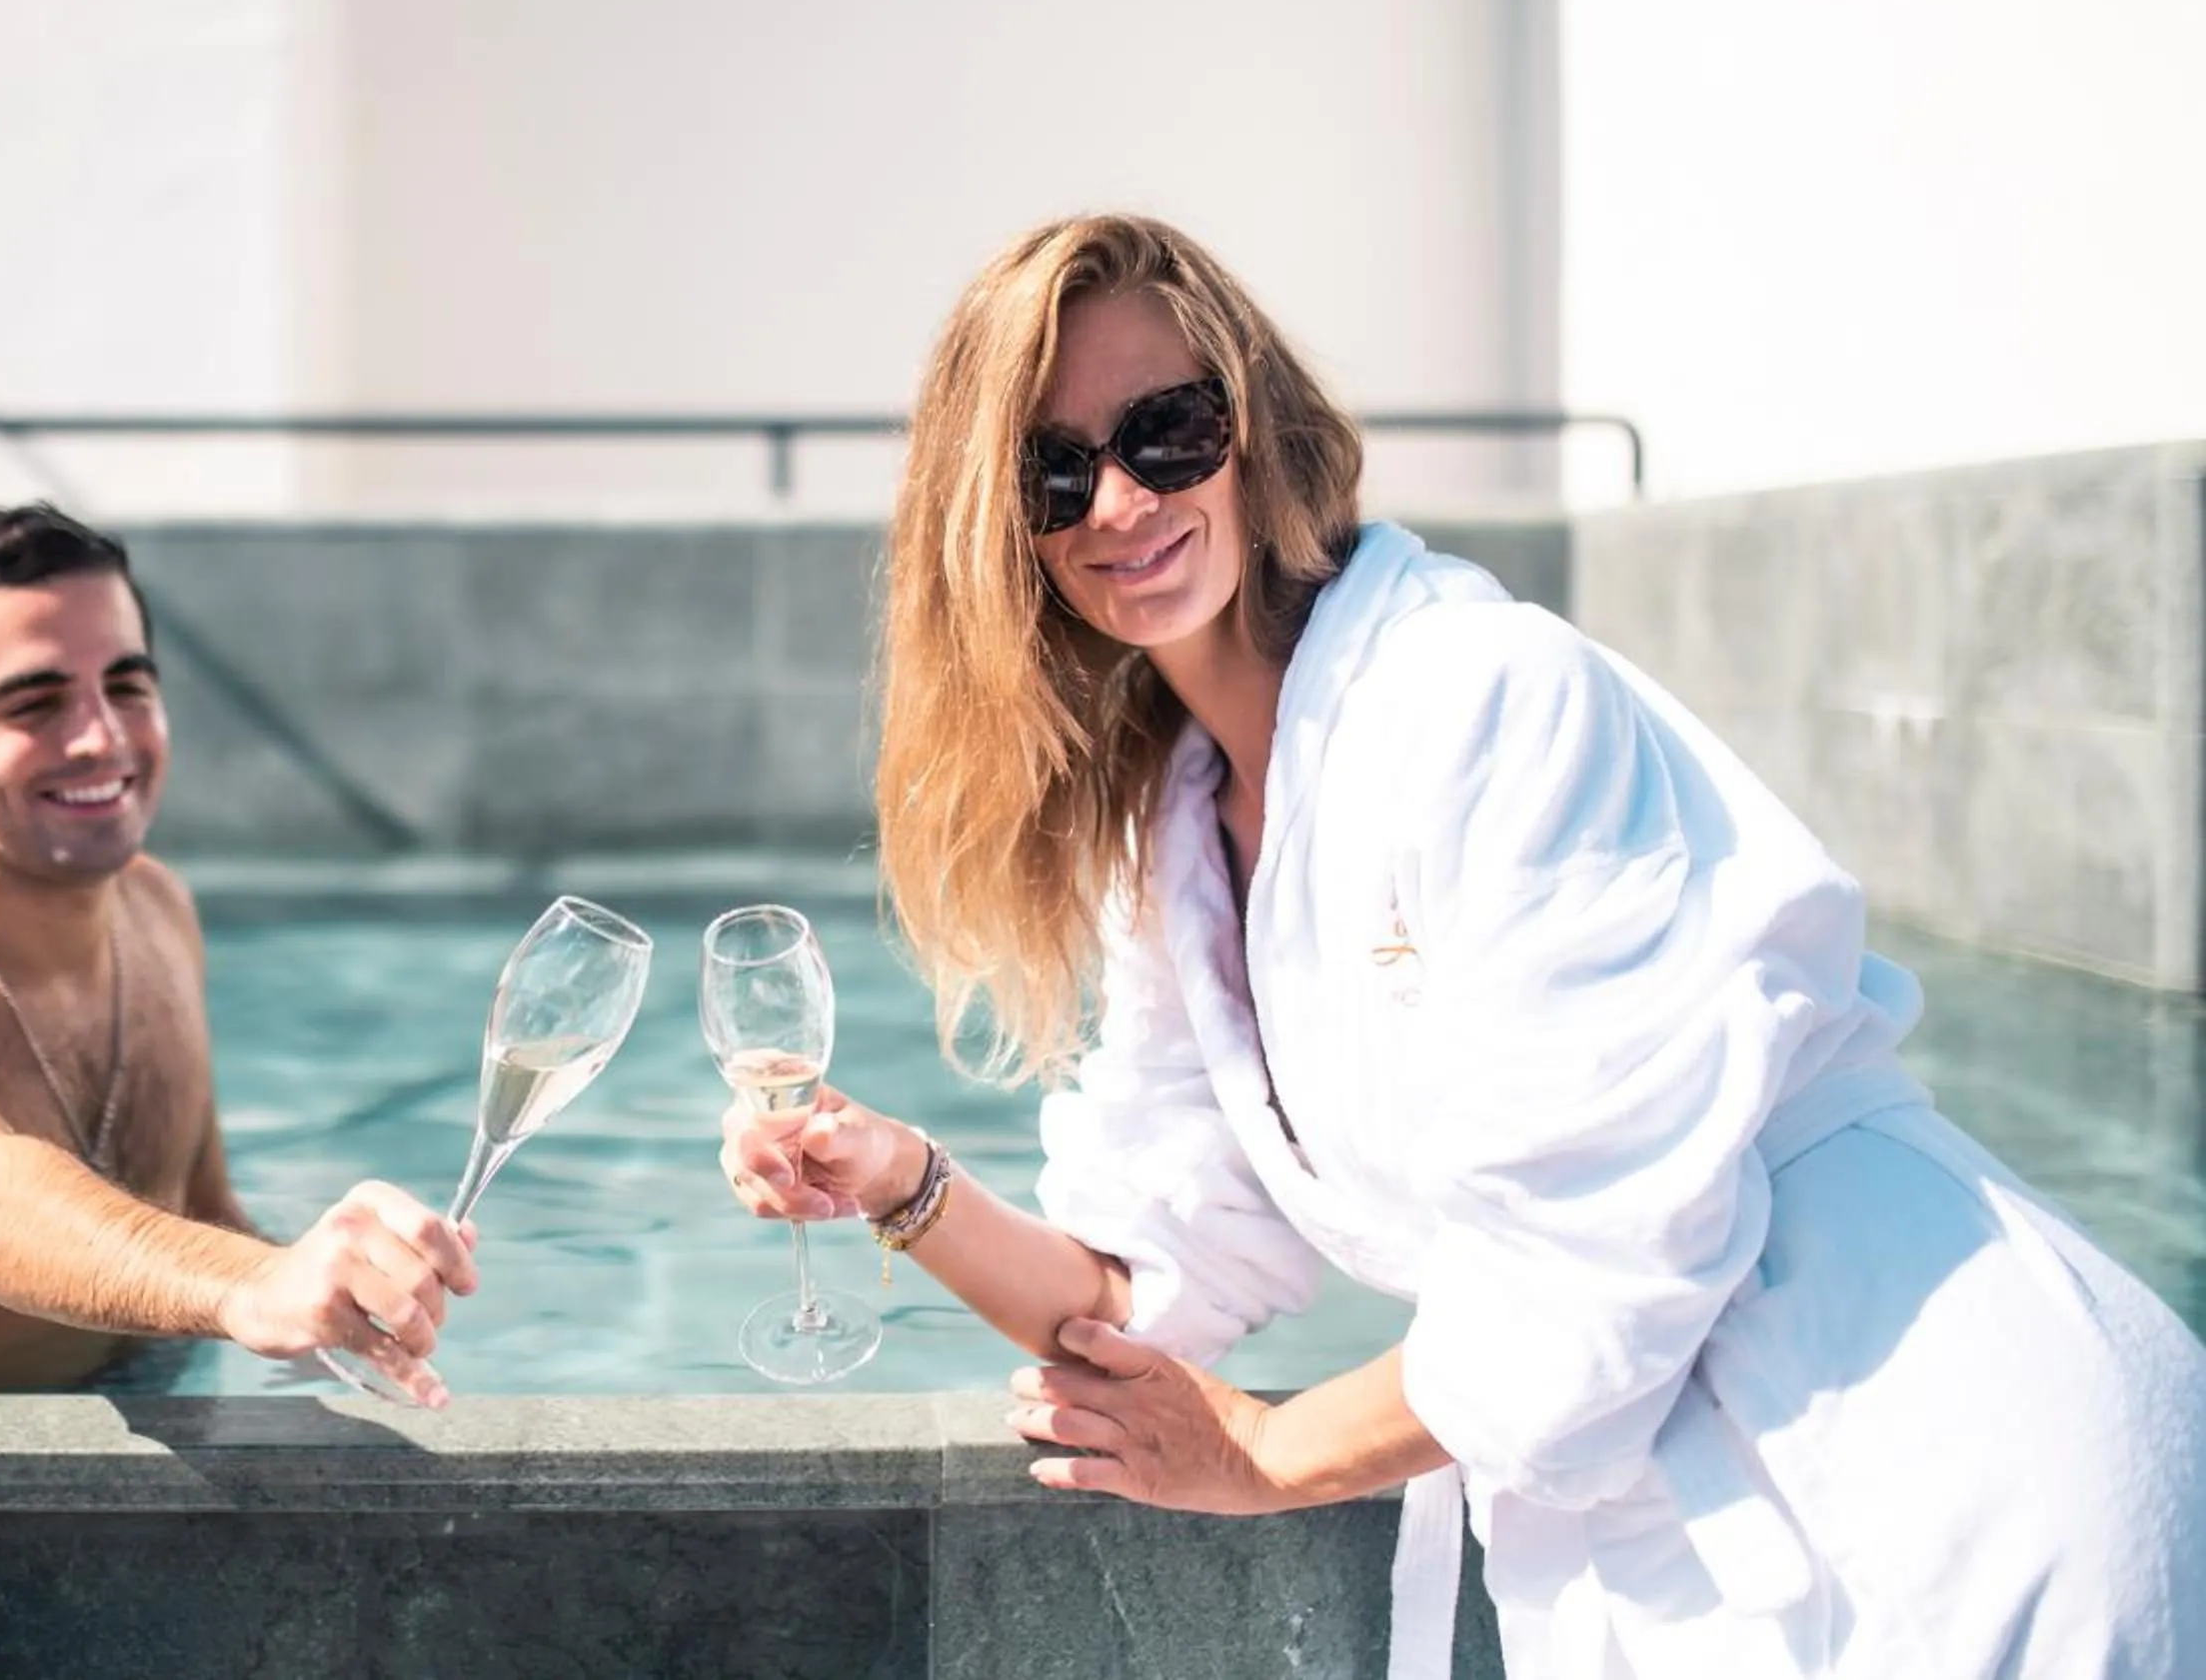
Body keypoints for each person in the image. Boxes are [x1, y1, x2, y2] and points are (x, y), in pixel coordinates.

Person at [719, 213, 2206, 1675]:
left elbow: (1601, 1247)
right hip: (1711, 1532)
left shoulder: (1478, 694)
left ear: (1256, 429)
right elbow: (1147, 1289)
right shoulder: (1182, 834)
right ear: (1002, 534)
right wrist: (896, 1180)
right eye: (1056, 470)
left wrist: (1277, 1452)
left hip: (1942, 1464)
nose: (1120, 501)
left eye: (1169, 429)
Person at [0, 504, 475, 1402]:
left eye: (127, 686)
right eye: (35, 702)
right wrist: (247, 1287)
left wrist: (336, 1297)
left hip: (148, 1387)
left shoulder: (155, 909)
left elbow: (201, 1210)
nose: (101, 737)